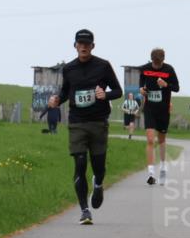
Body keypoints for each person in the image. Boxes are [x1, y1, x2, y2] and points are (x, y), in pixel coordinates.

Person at [48, 29, 122, 225]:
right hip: (77, 122)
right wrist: (57, 99)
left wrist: (105, 95)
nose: (83, 47)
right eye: (80, 43)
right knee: (80, 163)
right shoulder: (69, 69)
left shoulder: (103, 66)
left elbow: (118, 91)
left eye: (87, 44)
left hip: (98, 122)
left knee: (99, 167)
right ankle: (84, 210)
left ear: (93, 46)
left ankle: (98, 184)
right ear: (75, 46)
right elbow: (65, 92)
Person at [139, 48, 179, 185]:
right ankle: (150, 172)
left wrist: (166, 84)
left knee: (161, 140)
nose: (156, 65)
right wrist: (141, 90)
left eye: (159, 63)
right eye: (154, 63)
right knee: (150, 139)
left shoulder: (169, 70)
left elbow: (177, 87)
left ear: (163, 60)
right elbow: (141, 83)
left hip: (163, 109)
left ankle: (162, 166)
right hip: (150, 108)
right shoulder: (145, 69)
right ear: (151, 60)